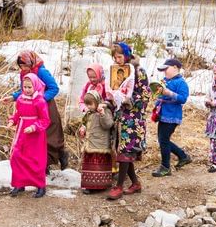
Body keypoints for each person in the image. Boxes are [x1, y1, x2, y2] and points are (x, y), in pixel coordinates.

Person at [14, 50, 67, 174]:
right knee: (36, 138)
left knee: (49, 135)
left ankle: (60, 155)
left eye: (26, 65)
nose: (24, 68)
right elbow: (25, 90)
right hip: (32, 109)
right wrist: (13, 97)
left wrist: (40, 99)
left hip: (46, 106)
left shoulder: (41, 72)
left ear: (31, 62)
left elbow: (54, 88)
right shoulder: (24, 74)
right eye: (21, 66)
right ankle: (43, 165)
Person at [108, 42, 146, 197]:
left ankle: (118, 187)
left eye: (120, 56)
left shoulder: (138, 71)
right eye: (115, 57)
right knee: (124, 151)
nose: (118, 60)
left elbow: (145, 94)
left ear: (127, 55)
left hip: (133, 119)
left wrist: (130, 101)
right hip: (120, 117)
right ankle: (135, 183)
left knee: (126, 151)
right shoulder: (117, 71)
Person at [9, 71, 51, 197]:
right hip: (22, 132)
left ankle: (40, 185)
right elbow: (18, 113)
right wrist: (13, 120)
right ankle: (19, 183)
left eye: (29, 87)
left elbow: (45, 120)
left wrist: (34, 127)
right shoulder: (20, 99)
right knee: (17, 156)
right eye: (24, 87)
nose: (26, 90)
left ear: (35, 86)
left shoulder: (40, 101)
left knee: (35, 159)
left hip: (35, 135)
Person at [153, 58, 191, 177]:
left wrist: (169, 93)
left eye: (166, 69)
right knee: (163, 139)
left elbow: (183, 98)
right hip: (163, 114)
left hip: (172, 115)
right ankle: (183, 156)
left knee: (163, 140)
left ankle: (165, 167)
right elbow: (159, 94)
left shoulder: (181, 83)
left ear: (175, 68)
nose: (165, 72)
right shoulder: (164, 81)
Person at [77, 89, 117, 193]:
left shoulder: (105, 111)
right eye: (87, 104)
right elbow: (85, 123)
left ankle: (99, 185)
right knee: (89, 165)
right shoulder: (89, 113)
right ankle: (90, 185)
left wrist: (102, 114)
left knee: (98, 165)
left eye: (90, 104)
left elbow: (108, 124)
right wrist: (83, 128)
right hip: (90, 143)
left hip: (100, 144)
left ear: (97, 101)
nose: (89, 107)